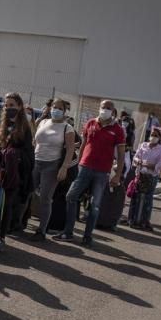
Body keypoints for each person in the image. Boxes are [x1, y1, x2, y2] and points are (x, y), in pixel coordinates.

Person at [55, 99, 126, 246]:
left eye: (108, 108)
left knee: (95, 205)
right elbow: (83, 145)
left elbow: (121, 154)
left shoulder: (118, 130)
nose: (105, 110)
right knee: (71, 196)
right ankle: (68, 232)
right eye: (103, 107)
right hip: (84, 168)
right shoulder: (90, 123)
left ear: (113, 112)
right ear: (99, 108)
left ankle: (87, 236)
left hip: (102, 172)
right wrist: (78, 163)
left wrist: (117, 174)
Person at [0, 93, 34, 251]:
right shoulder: (1, 122)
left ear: (19, 106)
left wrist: (13, 154)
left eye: (12, 105)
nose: (8, 108)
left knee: (5, 206)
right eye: (6, 105)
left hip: (11, 171)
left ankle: (2, 238)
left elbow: (28, 153)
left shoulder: (25, 128)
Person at [29, 99, 76, 242]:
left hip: (52, 165)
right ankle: (19, 223)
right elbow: (34, 141)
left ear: (65, 110)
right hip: (36, 162)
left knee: (45, 199)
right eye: (54, 107)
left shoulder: (67, 128)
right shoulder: (42, 122)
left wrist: (64, 168)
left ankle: (41, 230)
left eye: (60, 108)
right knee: (27, 193)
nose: (56, 110)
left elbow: (70, 149)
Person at [128, 126, 161, 229]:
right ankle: (132, 218)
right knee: (135, 197)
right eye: (152, 135)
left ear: (160, 138)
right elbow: (136, 156)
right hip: (140, 175)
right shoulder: (143, 145)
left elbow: (159, 165)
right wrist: (138, 161)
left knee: (148, 199)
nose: (153, 137)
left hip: (151, 177)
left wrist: (146, 165)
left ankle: (145, 220)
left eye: (156, 135)